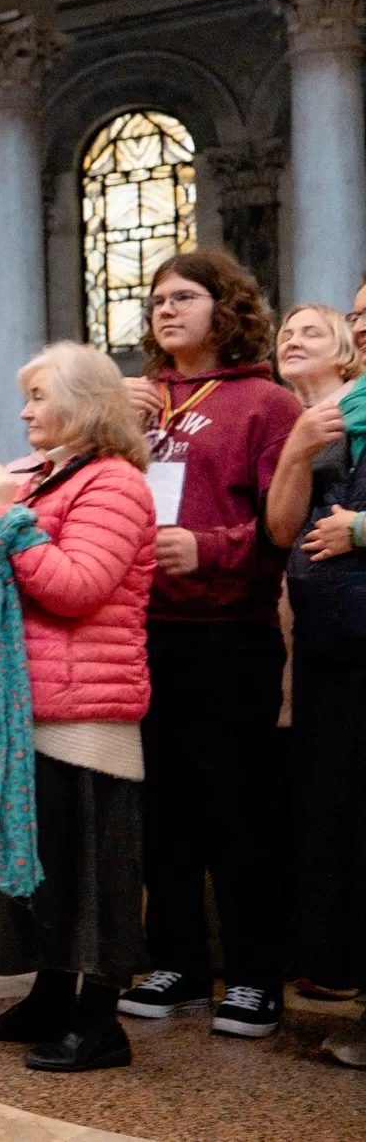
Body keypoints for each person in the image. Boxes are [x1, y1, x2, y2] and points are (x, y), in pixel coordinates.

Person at [0, 341, 156, 1073]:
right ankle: (49, 996)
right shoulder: (46, 475)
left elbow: (76, 586)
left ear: (84, 402)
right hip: (26, 698)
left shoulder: (117, 484)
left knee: (90, 870)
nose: (25, 411)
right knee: (49, 866)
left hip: (83, 710)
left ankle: (100, 1022)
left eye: (38, 396)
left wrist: (5, 520)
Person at [113, 250, 300, 1040]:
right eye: (156, 299)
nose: (165, 309)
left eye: (184, 296)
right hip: (143, 629)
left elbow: (284, 525)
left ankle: (255, 974)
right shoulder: (141, 398)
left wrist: (213, 548)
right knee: (163, 812)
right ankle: (178, 961)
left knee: (237, 809)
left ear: (226, 308)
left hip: (229, 633)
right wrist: (114, 425)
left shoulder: (266, 402)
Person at [264, 299, 366, 1064]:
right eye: (284, 331)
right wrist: (296, 451)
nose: (293, 340)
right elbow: (280, 528)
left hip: (350, 631)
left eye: (318, 329)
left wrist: (360, 530)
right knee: (331, 814)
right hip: (325, 637)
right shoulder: (306, 421)